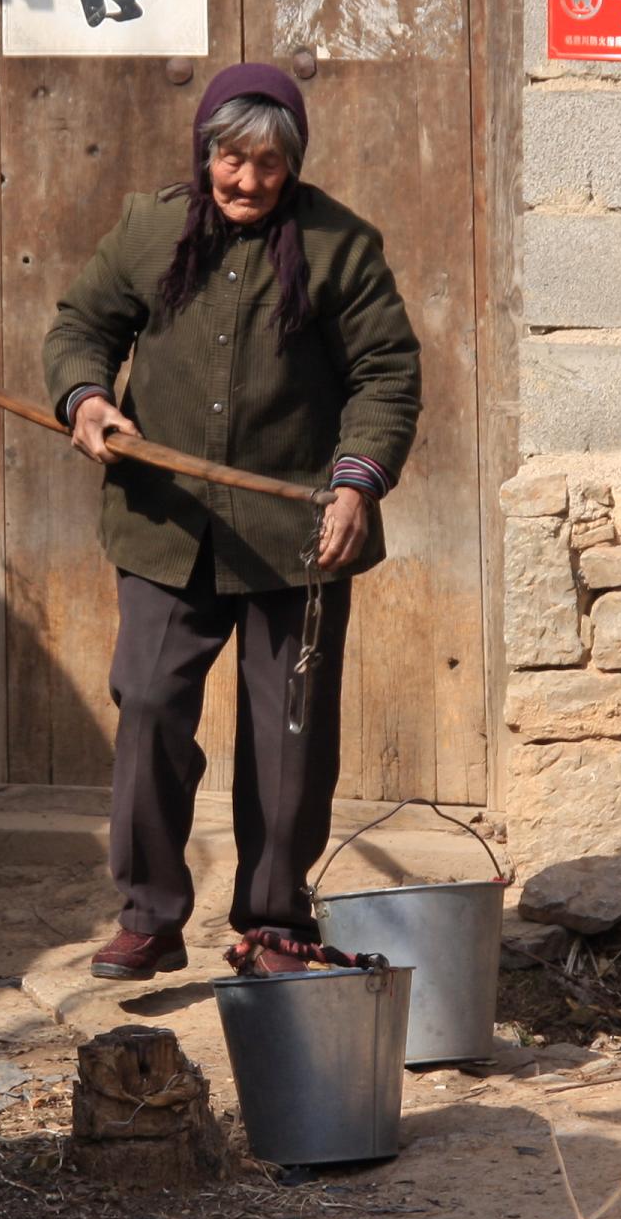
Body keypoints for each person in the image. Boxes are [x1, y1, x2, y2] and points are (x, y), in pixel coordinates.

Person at [42, 63, 424, 981]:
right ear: (205, 152)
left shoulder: (340, 248)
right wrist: (86, 400)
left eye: (267, 165)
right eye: (230, 160)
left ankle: (274, 920)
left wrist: (356, 484)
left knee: (289, 735)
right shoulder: (149, 228)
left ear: (294, 164)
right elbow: (79, 326)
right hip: (165, 530)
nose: (246, 182)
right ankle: (149, 914)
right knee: (149, 707)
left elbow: (387, 375)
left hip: (298, 538)